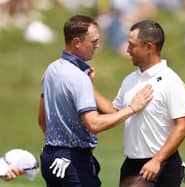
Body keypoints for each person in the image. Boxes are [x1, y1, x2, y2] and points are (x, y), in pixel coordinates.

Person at [38, 15, 153, 187]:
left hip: (51, 159)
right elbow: (94, 124)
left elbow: (42, 119)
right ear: (77, 42)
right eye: (93, 41)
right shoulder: (78, 78)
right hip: (74, 163)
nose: (97, 45)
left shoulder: (51, 70)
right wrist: (132, 108)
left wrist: (55, 150)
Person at [94, 20, 185, 187]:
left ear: (149, 47)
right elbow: (114, 111)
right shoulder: (130, 80)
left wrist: (157, 160)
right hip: (131, 165)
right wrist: (88, 86)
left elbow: (182, 126)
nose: (127, 50)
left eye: (132, 45)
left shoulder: (171, 82)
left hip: (161, 166)